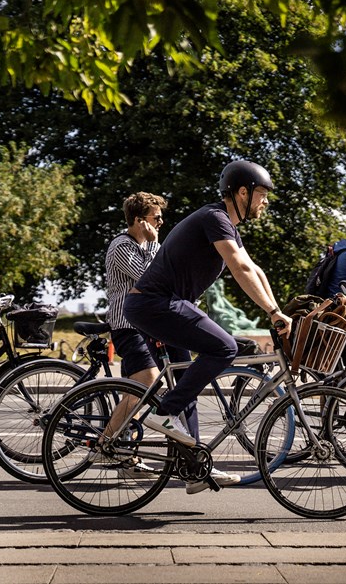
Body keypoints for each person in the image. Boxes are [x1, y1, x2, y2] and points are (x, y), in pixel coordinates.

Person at [124, 160, 292, 494]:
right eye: (262, 194)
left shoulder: (226, 225)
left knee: (187, 383)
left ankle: (194, 468)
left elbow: (254, 270)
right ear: (242, 192)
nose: (265, 202)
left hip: (162, 305)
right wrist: (272, 312)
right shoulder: (214, 218)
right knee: (225, 347)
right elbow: (239, 268)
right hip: (157, 304)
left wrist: (279, 312)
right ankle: (164, 411)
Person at [101, 192, 190, 477]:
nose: (162, 221)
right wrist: (154, 245)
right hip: (127, 326)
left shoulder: (146, 244)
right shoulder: (121, 246)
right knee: (147, 385)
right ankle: (105, 444)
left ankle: (125, 456)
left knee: (136, 394)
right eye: (156, 217)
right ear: (140, 221)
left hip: (145, 326)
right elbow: (151, 279)